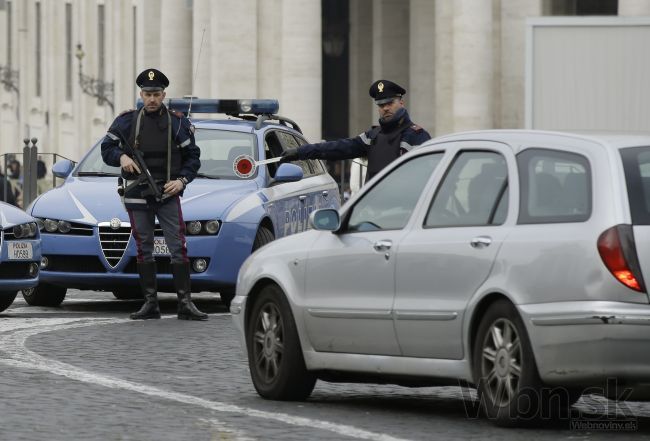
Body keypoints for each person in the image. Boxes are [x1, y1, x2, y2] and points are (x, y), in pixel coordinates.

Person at [101, 68, 207, 321]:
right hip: (137, 193)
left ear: (163, 95)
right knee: (144, 249)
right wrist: (122, 156)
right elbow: (106, 149)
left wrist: (181, 181)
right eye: (147, 94)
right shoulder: (126, 121)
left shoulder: (177, 122)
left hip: (168, 193)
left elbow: (193, 158)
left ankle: (185, 303)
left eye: (156, 94)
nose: (151, 99)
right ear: (141, 94)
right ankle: (150, 304)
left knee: (177, 247)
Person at [280, 79, 431, 184]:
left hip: (406, 212)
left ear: (401, 103)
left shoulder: (417, 136)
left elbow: (426, 176)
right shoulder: (372, 136)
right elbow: (338, 148)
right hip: (374, 210)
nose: (385, 108)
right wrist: (300, 152)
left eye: (390, 103)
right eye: (381, 105)